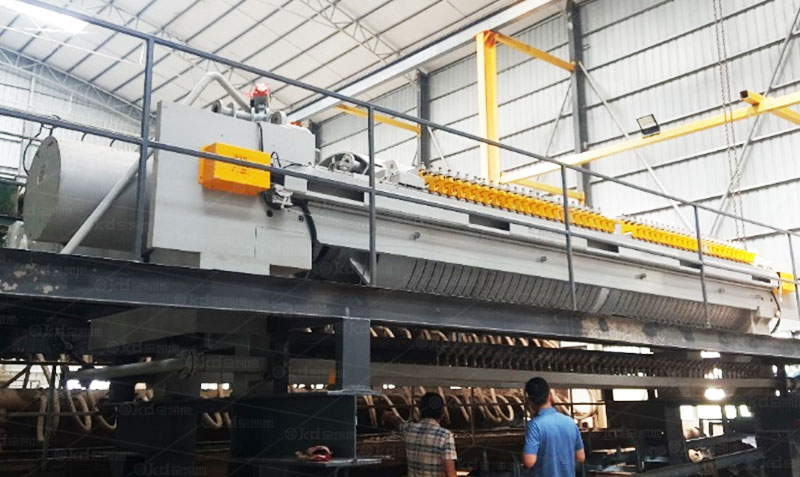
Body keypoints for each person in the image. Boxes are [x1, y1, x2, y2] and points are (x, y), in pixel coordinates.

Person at [382, 392, 457, 477]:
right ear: (442, 413)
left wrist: (388, 416)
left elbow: (398, 423)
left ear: (420, 411)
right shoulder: (445, 436)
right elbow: (450, 473)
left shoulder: (408, 429)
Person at [522, 377, 585, 476]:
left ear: (529, 401)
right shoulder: (570, 421)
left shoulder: (534, 425)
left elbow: (529, 461)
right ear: (550, 395)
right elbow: (580, 457)